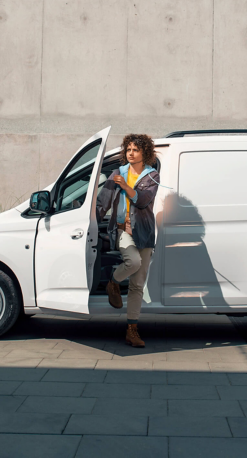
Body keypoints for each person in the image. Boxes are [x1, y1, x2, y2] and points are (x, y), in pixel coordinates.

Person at [96, 134, 160, 348]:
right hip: (123, 229)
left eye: (135, 150)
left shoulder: (152, 176)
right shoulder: (117, 173)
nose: (130, 153)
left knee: (137, 285)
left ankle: (132, 329)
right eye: (128, 149)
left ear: (144, 153)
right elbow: (103, 201)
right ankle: (113, 282)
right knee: (133, 262)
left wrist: (124, 186)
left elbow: (142, 201)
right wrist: (92, 221)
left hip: (145, 232)